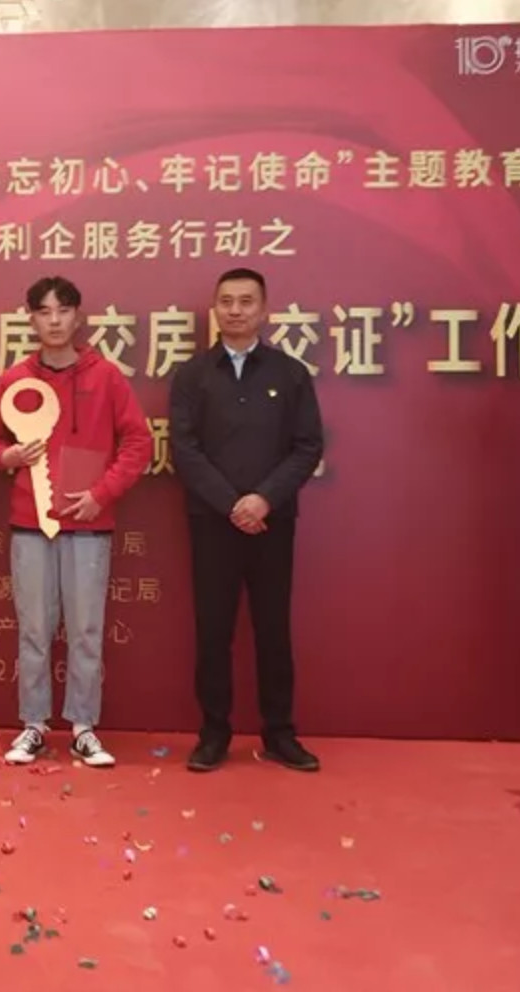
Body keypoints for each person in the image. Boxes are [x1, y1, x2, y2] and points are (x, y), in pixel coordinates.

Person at [0, 276, 152, 768]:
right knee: (34, 629)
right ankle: (34, 725)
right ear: (31, 318)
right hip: (30, 521)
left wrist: (102, 493)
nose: (54, 320)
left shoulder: (107, 377)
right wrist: (6, 457)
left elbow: (138, 442)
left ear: (79, 317)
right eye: (44, 311)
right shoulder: (14, 379)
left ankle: (83, 727)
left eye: (63, 311)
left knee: (85, 630)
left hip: (88, 524)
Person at [169, 267, 324, 774]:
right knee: (213, 630)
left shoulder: (290, 373)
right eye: (227, 301)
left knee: (273, 629)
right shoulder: (192, 374)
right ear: (215, 308)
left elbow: (308, 446)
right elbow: (185, 449)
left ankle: (280, 733)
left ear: (264, 310)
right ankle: (214, 732)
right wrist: (231, 504)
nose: (235, 310)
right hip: (212, 522)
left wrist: (263, 500)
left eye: (246, 301)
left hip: (272, 523)